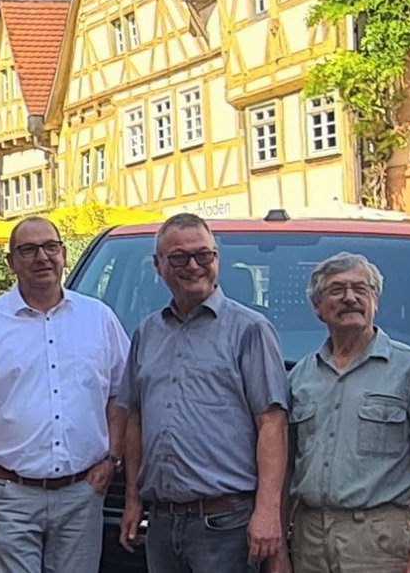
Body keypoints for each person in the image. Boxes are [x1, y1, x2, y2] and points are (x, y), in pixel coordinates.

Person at [0, 216, 130, 573]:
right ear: (11, 262)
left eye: (50, 247)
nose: (42, 257)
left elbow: (121, 395)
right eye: (28, 250)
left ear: (63, 254)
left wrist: (112, 459)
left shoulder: (99, 318)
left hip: (81, 493)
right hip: (8, 494)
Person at [117, 212, 289, 573]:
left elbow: (272, 423)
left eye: (203, 255)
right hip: (161, 523)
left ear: (216, 259)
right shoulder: (146, 333)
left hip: (225, 523)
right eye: (178, 257)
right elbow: (135, 420)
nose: (192, 265)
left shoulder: (250, 330)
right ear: (158, 266)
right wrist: (132, 499)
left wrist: (268, 511)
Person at [286, 252, 410, 573]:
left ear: (375, 300)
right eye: (336, 290)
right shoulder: (299, 377)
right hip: (308, 539)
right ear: (317, 308)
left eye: (361, 289)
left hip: (381, 543)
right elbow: (285, 470)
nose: (350, 298)